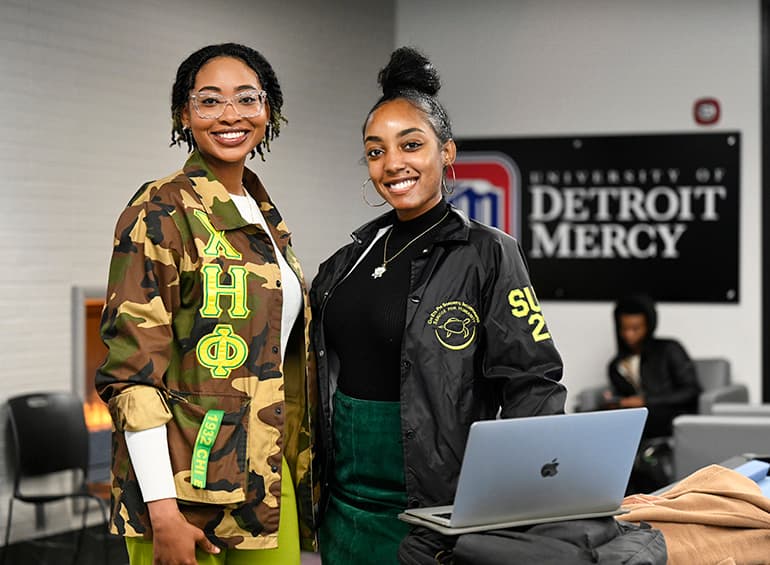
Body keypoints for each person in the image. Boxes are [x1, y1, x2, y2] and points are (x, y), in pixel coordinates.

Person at [310, 47, 566, 564]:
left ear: (446, 153)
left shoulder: (488, 253)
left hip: (434, 512)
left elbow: (532, 382)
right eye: (376, 151)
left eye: (411, 144)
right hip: (341, 509)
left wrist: (530, 499)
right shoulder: (345, 263)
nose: (393, 163)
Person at [95, 43, 317, 565]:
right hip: (180, 487)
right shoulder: (161, 208)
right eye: (209, 101)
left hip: (262, 477)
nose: (230, 115)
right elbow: (132, 373)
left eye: (247, 98)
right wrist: (162, 509)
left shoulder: (262, 213)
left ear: (269, 110)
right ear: (184, 114)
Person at [604, 293, 701, 492]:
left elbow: (692, 390)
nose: (629, 335)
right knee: (605, 419)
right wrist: (617, 402)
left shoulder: (669, 349)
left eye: (636, 328)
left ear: (649, 326)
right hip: (638, 418)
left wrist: (645, 401)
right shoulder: (616, 365)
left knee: (630, 426)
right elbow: (625, 396)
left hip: (669, 414)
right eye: (624, 329)